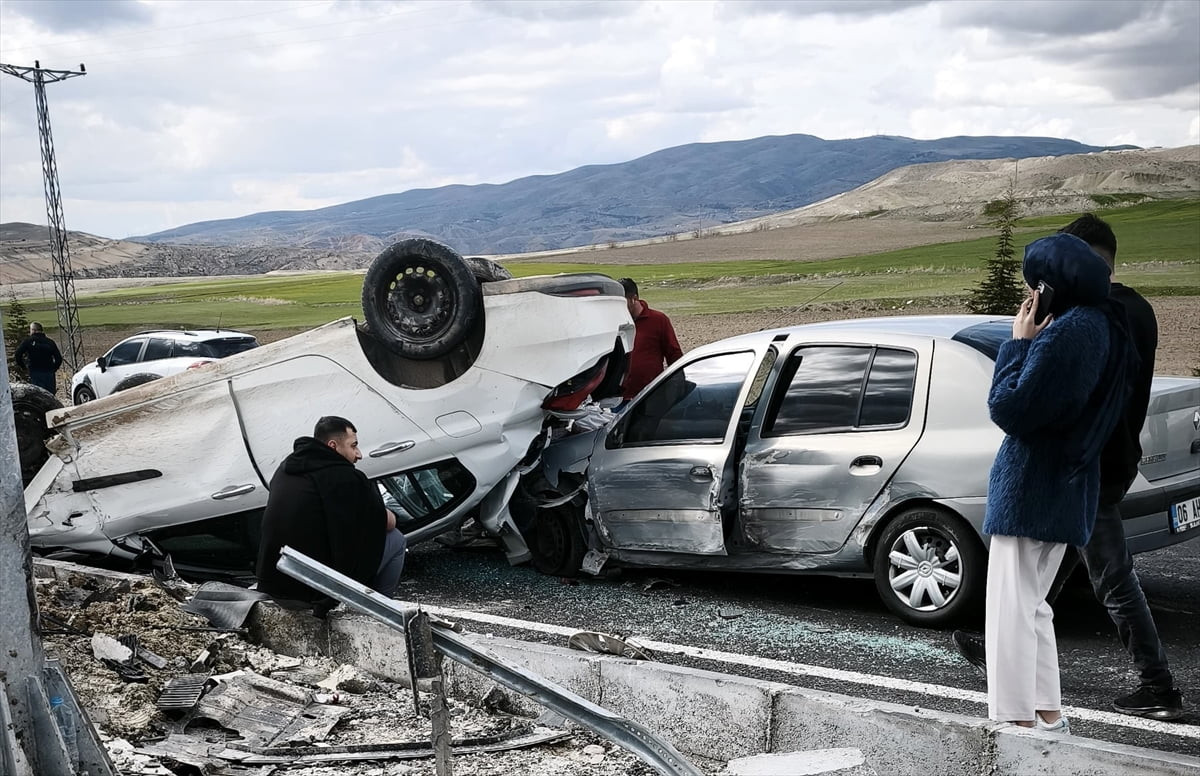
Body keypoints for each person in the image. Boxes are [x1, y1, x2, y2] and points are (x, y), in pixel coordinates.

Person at [953, 215, 1183, 721]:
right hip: (1100, 461)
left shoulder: (1078, 328)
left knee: (1089, 582)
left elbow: (1013, 409)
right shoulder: (1126, 314)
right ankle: (1041, 705)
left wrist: (1019, 343)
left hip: (1064, 470)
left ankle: (1152, 685)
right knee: (1040, 593)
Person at [980, 232, 1134, 733]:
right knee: (1033, 608)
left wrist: (1018, 344)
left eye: (1034, 286)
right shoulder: (1103, 325)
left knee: (1010, 610)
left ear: (1048, 287)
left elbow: (1010, 409)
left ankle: (1015, 723)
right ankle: (1048, 715)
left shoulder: (1065, 334)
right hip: (1067, 486)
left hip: (1032, 488)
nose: (1030, 295)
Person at [255, 416, 407, 612]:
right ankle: (379, 610)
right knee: (396, 539)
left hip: (273, 579)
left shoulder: (286, 469)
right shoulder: (343, 476)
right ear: (333, 446)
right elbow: (388, 522)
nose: (359, 454)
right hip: (310, 589)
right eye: (353, 446)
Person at [618, 278, 683, 402]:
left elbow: (674, 354)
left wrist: (678, 388)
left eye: (622, 303)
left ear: (634, 299)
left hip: (650, 395)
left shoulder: (658, 320)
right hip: (618, 398)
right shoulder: (615, 323)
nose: (618, 308)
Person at [14, 322, 64, 394]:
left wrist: (23, 367)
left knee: (39, 394)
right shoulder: (50, 342)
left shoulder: (28, 341)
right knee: (50, 394)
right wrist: (53, 369)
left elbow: (18, 354)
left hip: (35, 372)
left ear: (33, 330)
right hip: (49, 372)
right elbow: (58, 358)